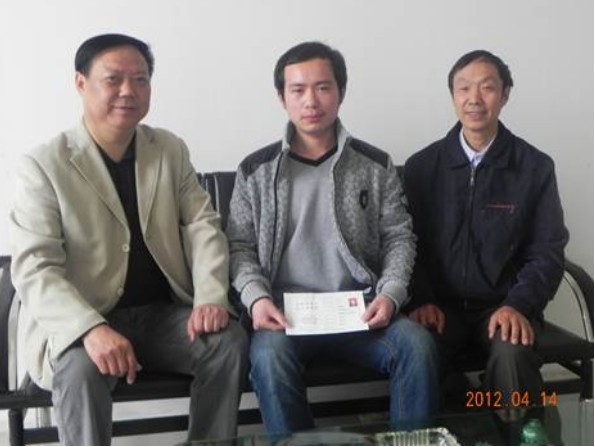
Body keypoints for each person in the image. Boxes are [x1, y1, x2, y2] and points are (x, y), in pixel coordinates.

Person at [9, 33, 248, 445]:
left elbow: (203, 226)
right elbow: (35, 267)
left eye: (140, 80)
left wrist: (211, 296)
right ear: (81, 83)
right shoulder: (43, 165)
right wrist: (89, 329)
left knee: (225, 342)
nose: (128, 91)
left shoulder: (168, 149)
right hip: (86, 320)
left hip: (162, 316)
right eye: (113, 79)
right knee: (81, 369)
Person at [226, 41, 439, 435]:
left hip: (361, 311)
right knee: (270, 360)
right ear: (281, 97)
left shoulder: (374, 165)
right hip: (284, 316)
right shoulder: (255, 170)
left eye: (323, 87)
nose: (311, 101)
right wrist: (256, 299)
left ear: (341, 91)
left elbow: (399, 238)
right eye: (298, 89)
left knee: (416, 345)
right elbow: (239, 247)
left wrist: (391, 295)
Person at [403, 50, 569, 409]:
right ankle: (439, 429)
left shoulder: (534, 168)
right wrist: (421, 300)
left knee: (512, 352)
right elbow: (405, 245)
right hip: (440, 309)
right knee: (414, 350)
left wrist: (518, 305)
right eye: (463, 88)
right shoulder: (422, 167)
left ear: (505, 95)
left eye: (487, 88)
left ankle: (517, 431)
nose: (474, 99)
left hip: (503, 306)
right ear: (452, 96)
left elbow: (547, 252)